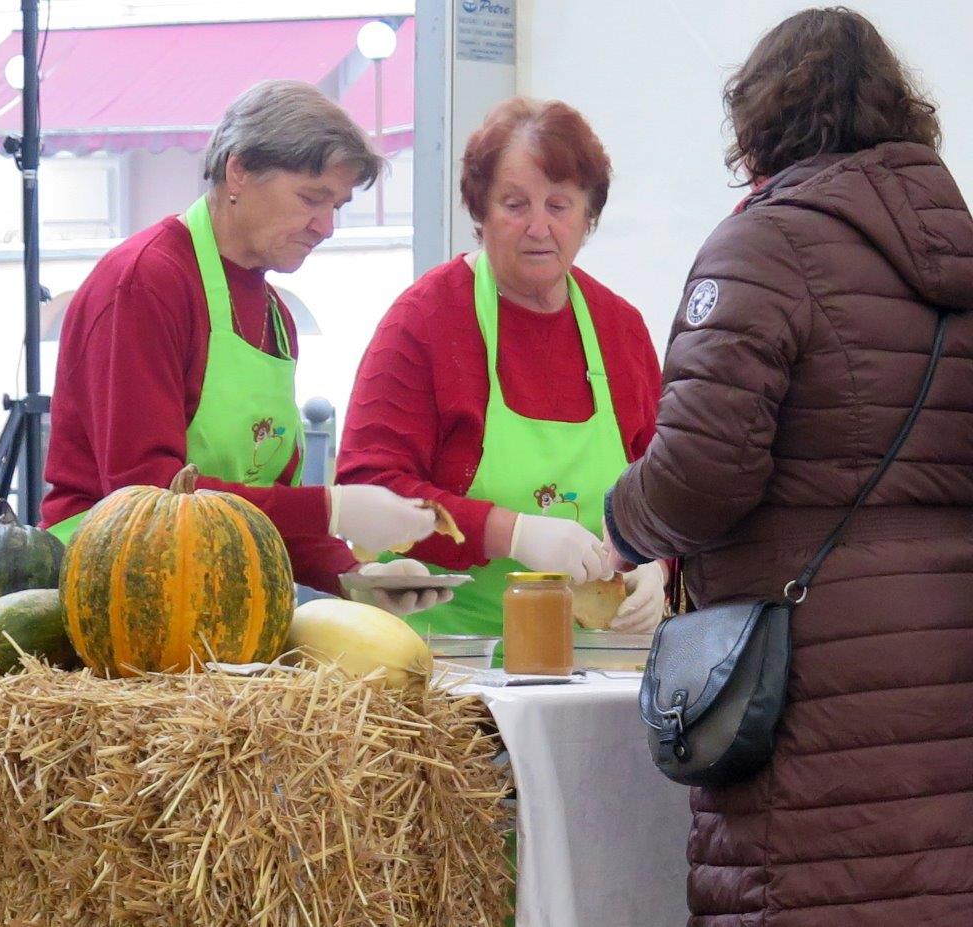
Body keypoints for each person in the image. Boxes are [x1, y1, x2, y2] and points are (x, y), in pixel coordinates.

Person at [603, 9, 973, 924]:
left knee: (807, 885)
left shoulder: (762, 247)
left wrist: (620, 525)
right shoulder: (961, 259)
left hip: (805, 673)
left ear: (761, 121)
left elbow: (700, 476)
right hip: (947, 664)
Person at [42, 80, 447, 615]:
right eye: (311, 198)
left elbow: (271, 508)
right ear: (238, 171)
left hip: (218, 596)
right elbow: (147, 496)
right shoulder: (146, 283)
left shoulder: (276, 316)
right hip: (111, 593)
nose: (326, 227)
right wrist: (330, 509)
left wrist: (355, 576)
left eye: (338, 205)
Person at [337, 97, 666, 639]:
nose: (539, 227)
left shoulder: (620, 329)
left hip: (597, 663)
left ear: (588, 216)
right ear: (480, 212)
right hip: (451, 658)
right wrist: (508, 533)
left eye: (559, 206)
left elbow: (665, 482)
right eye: (515, 205)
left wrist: (654, 561)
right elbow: (367, 487)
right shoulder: (425, 321)